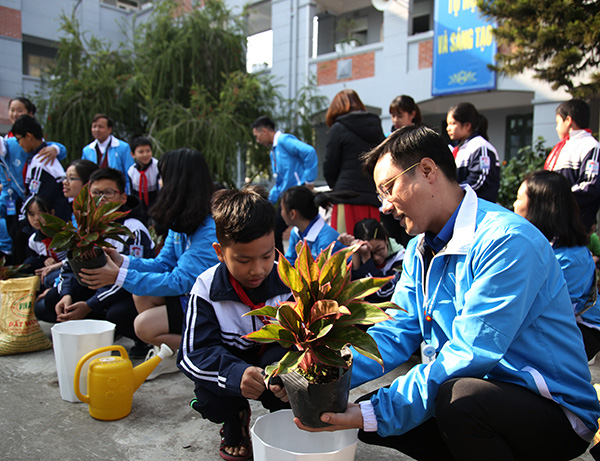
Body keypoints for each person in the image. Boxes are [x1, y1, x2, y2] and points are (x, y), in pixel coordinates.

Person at [294, 125, 600, 461]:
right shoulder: (418, 250)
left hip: (552, 409)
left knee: (456, 401)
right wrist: (319, 375)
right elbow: (396, 332)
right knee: (381, 414)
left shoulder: (505, 242)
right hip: (486, 390)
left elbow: (470, 352)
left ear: (427, 170)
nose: (385, 207)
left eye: (389, 189)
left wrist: (379, 412)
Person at [79, 148, 219, 378]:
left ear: (179, 182)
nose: (161, 184)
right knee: (140, 295)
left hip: (212, 305)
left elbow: (181, 281)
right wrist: (122, 261)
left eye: (164, 177)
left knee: (143, 326)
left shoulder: (209, 227)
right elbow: (163, 263)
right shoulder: (183, 219)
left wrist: (118, 276)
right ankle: (168, 352)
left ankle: (208, 349)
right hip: (192, 297)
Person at [179, 186, 290, 461]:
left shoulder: (290, 280)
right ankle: (235, 418)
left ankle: (286, 420)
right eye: (243, 259)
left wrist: (291, 376)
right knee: (210, 400)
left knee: (295, 385)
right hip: (232, 363)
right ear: (219, 251)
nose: (258, 269)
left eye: (267, 256)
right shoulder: (204, 289)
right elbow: (193, 354)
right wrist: (233, 374)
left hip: (272, 361)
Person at [34, 168, 155, 355]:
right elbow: (69, 266)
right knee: (52, 301)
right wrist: (67, 294)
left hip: (125, 293)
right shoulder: (85, 227)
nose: (101, 199)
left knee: (118, 313)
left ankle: (142, 341)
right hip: (96, 291)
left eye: (108, 193)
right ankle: (93, 334)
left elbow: (130, 278)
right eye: (96, 193)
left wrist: (90, 305)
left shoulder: (132, 229)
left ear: (122, 198)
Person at [514, 169, 600, 360]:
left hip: (582, 331)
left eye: (519, 198)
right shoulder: (544, 243)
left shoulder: (569, 259)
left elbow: (541, 309)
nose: (514, 204)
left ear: (539, 207)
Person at [251, 116, 318, 252]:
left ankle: (278, 264)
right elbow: (281, 182)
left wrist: (308, 181)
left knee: (276, 228)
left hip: (298, 195)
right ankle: (281, 263)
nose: (257, 140)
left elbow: (309, 152)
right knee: (275, 228)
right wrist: (268, 200)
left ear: (264, 131)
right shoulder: (274, 151)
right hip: (288, 196)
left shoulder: (284, 140)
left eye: (257, 136)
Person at [323, 89, 385, 234]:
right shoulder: (376, 127)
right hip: (371, 198)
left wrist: (336, 187)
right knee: (372, 246)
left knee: (346, 248)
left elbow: (330, 165)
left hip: (346, 197)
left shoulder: (338, 128)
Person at [9, 115, 70, 263]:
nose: (19, 144)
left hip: (52, 224)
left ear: (28, 136)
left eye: (19, 139)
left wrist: (25, 220)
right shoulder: (39, 156)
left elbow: (36, 197)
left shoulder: (42, 160)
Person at [544, 98, 600, 231]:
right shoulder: (562, 147)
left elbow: (591, 185)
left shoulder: (590, 146)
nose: (556, 127)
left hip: (576, 222)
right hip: (555, 219)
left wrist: (559, 197)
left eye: (558, 122)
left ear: (568, 121)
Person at [338, 218, 404, 303]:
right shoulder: (361, 256)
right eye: (371, 253)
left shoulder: (401, 260)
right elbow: (354, 291)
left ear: (386, 239)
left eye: (379, 249)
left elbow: (384, 292)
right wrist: (356, 252)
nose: (376, 257)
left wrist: (367, 257)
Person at [446, 102, 500, 203]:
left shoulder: (480, 146)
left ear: (467, 125)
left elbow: (479, 180)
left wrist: (453, 192)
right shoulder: (459, 148)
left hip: (479, 207)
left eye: (453, 124)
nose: (448, 128)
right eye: (448, 124)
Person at [280, 185, 345, 266]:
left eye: (282, 209)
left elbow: (324, 275)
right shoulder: (296, 233)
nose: (281, 213)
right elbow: (289, 264)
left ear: (292, 214)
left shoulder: (327, 242)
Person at [82, 113, 134, 193]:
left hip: (116, 192)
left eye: (100, 127)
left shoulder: (123, 147)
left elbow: (130, 174)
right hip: (96, 192)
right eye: (94, 126)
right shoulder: (87, 150)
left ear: (109, 129)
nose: (96, 130)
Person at [127, 135, 160, 227]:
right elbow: (132, 193)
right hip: (141, 208)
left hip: (155, 206)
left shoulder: (157, 167)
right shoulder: (131, 171)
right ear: (133, 154)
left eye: (148, 151)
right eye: (141, 152)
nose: (145, 154)